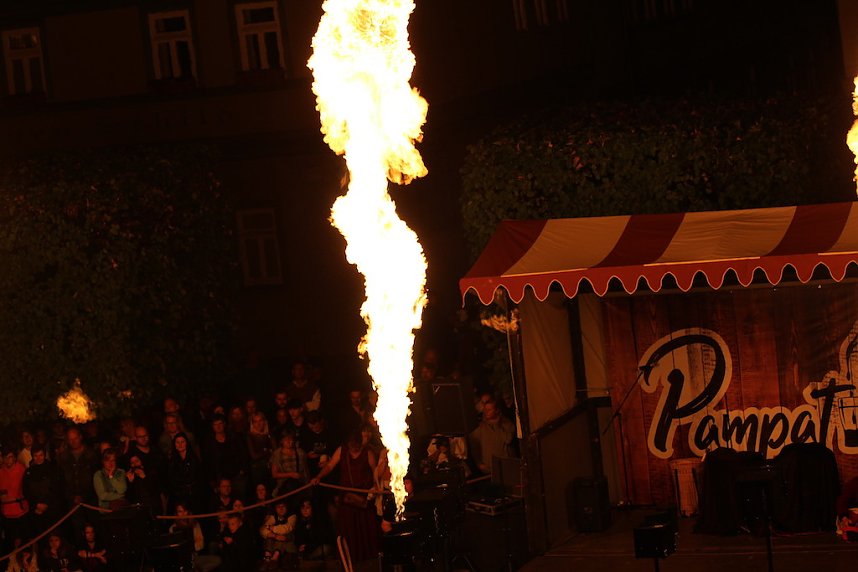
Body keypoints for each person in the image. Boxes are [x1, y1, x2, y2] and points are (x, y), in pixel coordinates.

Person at [311, 433, 378, 562]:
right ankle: (350, 556)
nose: (354, 449)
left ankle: (368, 556)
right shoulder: (342, 450)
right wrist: (318, 477)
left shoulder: (367, 453)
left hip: (364, 496)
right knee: (349, 528)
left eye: (356, 446)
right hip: (347, 497)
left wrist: (375, 486)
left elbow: (375, 470)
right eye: (351, 446)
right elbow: (330, 465)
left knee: (365, 527)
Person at [202, 415, 249, 499]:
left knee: (240, 498)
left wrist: (242, 470)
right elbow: (208, 462)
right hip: (220, 478)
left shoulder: (234, 437)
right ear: (212, 427)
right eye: (215, 424)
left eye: (220, 423)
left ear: (224, 424)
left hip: (237, 475)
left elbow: (243, 453)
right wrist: (212, 480)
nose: (218, 426)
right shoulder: (209, 443)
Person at [468, 399, 517, 475]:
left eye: (489, 410)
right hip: (489, 470)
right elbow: (474, 447)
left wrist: (498, 424)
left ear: (497, 410)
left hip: (507, 467)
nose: (486, 412)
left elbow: (508, 439)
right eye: (485, 410)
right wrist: (479, 464)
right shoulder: (480, 428)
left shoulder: (507, 424)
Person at [169, 502, 222, 572]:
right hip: (180, 561)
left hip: (194, 557)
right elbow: (173, 549)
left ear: (188, 512)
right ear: (176, 513)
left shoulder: (195, 525)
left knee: (217, 560)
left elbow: (201, 542)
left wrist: (193, 549)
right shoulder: (172, 528)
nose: (183, 514)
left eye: (185, 511)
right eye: (180, 511)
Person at [23, 444, 64, 535]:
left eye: (41, 455)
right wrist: (36, 505)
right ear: (32, 456)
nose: (38, 458)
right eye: (36, 456)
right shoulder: (28, 472)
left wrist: (47, 504)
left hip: (52, 510)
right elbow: (26, 491)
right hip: (36, 512)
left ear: (45, 455)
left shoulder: (53, 469)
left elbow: (56, 489)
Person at [56, 427, 99, 507]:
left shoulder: (91, 455)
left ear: (80, 437)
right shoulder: (63, 457)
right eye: (70, 439)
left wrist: (85, 496)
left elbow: (97, 477)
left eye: (75, 438)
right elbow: (61, 480)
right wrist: (71, 497)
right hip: (70, 501)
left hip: (90, 500)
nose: (73, 442)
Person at [0, 447, 30, 551]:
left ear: (14, 458)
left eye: (10, 457)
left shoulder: (21, 469)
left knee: (25, 540)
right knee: (10, 542)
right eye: (6, 457)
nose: (8, 460)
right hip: (7, 513)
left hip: (21, 511)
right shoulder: (1, 472)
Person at [167, 433, 205, 512]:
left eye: (182, 442)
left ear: (186, 443)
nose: (180, 445)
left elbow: (198, 477)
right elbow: (171, 479)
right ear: (174, 444)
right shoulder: (172, 460)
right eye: (178, 442)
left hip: (195, 494)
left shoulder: (194, 458)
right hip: (179, 495)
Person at [260, 500, 297, 570]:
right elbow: (263, 529)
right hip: (274, 546)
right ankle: (267, 557)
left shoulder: (292, 516)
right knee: (270, 535)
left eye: (283, 506)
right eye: (278, 507)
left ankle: (275, 558)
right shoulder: (273, 517)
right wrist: (274, 535)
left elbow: (286, 528)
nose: (281, 509)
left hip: (287, 547)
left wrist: (272, 528)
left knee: (283, 535)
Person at [270, 432, 308, 497]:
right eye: (285, 440)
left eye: (290, 439)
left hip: (300, 484)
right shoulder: (277, 455)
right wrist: (291, 474)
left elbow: (306, 471)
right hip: (285, 485)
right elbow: (274, 474)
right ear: (281, 441)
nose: (288, 441)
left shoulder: (300, 453)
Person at [247, 413, 275, 488]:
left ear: (264, 422)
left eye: (260, 421)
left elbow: (275, 450)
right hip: (257, 468)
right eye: (255, 421)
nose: (258, 424)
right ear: (252, 424)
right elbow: (254, 456)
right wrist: (268, 451)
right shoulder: (250, 436)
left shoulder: (269, 434)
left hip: (270, 467)